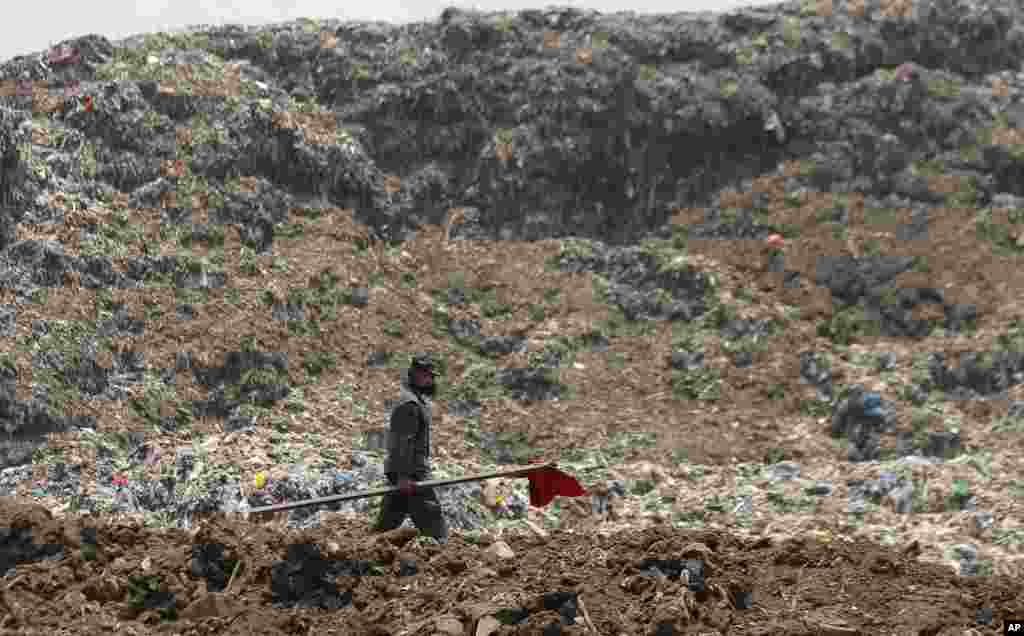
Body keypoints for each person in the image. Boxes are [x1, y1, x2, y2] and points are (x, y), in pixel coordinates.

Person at [373, 352, 449, 542]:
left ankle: (371, 546)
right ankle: (443, 550)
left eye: (430, 376)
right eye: (424, 374)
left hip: (405, 472)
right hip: (412, 473)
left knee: (390, 517)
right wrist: (404, 477)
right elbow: (403, 443)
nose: (429, 379)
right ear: (413, 374)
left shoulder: (414, 400)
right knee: (432, 516)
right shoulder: (410, 405)